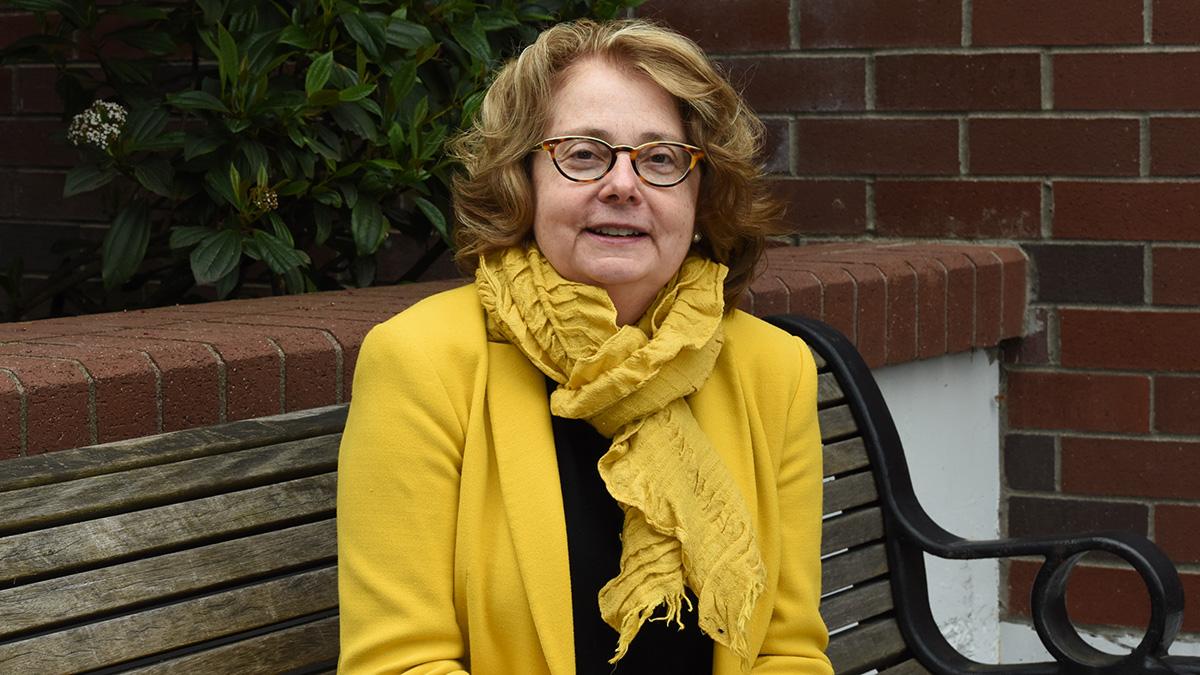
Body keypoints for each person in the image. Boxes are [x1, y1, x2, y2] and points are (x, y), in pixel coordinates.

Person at [336, 18, 832, 675]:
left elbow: (787, 651)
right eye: (584, 153)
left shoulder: (775, 369)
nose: (623, 185)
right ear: (523, 177)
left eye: (660, 158)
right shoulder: (422, 361)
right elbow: (397, 662)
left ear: (700, 192)